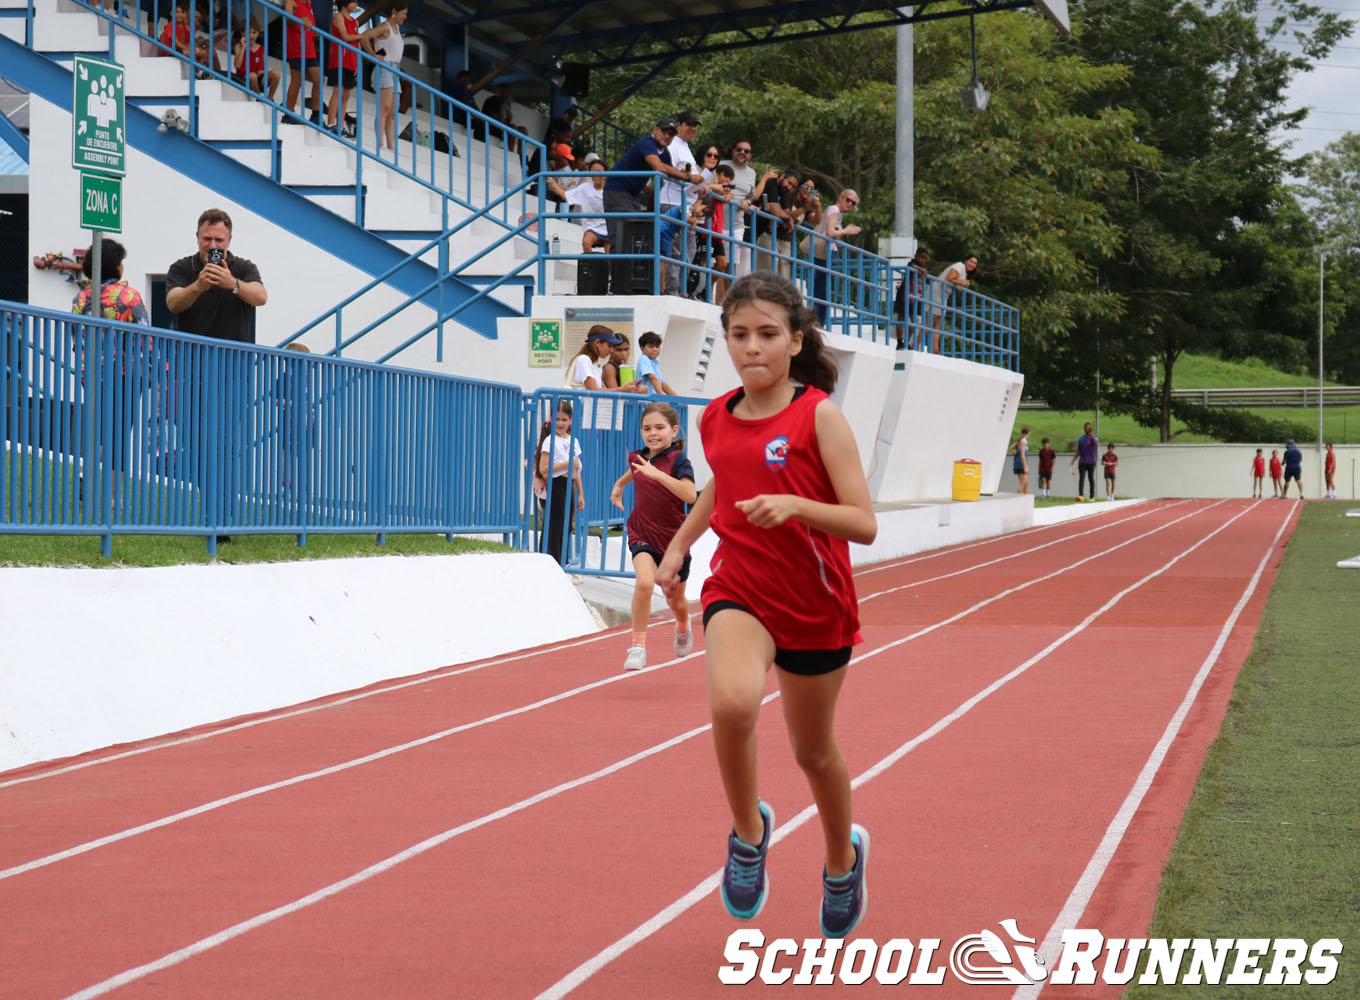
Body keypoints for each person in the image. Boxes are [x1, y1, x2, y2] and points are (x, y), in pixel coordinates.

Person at [656, 272, 877, 940]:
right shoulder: (716, 416)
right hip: (740, 589)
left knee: (813, 753)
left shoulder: (819, 416)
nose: (752, 347)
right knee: (729, 704)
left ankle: (842, 861)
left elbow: (863, 522)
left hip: (815, 605)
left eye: (767, 335)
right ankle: (748, 833)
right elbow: (721, 484)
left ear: (795, 341)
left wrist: (796, 506)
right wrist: (678, 550)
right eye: (740, 335)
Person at [610, 401, 698, 671]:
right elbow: (635, 470)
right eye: (647, 429)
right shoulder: (638, 457)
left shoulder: (679, 460)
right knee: (645, 584)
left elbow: (690, 495)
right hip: (642, 532)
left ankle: (683, 625)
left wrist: (657, 475)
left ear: (673, 430)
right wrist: (619, 485)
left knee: (675, 601)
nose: (653, 433)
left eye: (660, 428)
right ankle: (637, 646)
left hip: (674, 540)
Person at [602, 119, 703, 271]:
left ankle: (628, 280)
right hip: (617, 191)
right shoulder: (647, 143)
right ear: (655, 130)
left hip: (633, 195)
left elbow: (669, 170)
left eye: (671, 134)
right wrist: (688, 178)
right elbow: (659, 167)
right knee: (621, 234)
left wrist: (682, 175)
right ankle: (616, 282)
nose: (667, 136)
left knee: (633, 234)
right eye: (664, 131)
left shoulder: (664, 154)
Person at [166, 208, 268, 342]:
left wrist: (232, 284)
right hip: (192, 358)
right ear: (197, 237)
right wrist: (198, 286)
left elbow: (261, 297)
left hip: (233, 358)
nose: (212, 245)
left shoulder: (244, 267)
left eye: (219, 240)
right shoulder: (181, 267)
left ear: (229, 240)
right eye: (207, 239)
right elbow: (173, 304)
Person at [536, 399, 584, 566]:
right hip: (556, 486)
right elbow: (544, 469)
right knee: (555, 524)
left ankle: (562, 559)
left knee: (566, 524)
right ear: (551, 419)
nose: (561, 423)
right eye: (557, 419)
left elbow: (577, 471)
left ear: (570, 420)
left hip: (568, 486)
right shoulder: (550, 441)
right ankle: (554, 560)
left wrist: (580, 493)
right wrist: (567, 464)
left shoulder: (573, 441)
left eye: (564, 419)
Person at [806, 190, 862, 328]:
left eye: (853, 203)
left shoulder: (838, 213)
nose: (850, 204)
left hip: (828, 251)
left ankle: (820, 320)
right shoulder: (834, 209)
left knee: (823, 287)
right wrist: (845, 231)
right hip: (824, 251)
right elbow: (831, 232)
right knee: (821, 288)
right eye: (848, 200)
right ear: (841, 197)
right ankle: (818, 320)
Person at [71, 239, 150, 327]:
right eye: (120, 262)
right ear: (116, 266)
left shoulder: (80, 297)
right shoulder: (129, 295)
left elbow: (75, 332)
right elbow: (144, 335)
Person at [324, 0, 367, 138]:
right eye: (353, 2)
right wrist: (361, 36)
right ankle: (331, 123)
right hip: (339, 59)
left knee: (346, 95)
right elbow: (345, 36)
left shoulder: (355, 21)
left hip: (351, 61)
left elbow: (357, 46)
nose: (356, 4)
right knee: (338, 91)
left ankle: (340, 125)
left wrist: (357, 65)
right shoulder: (338, 17)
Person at [369, 1, 408, 151]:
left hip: (395, 70)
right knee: (384, 109)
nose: (405, 17)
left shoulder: (396, 28)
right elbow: (366, 35)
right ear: (394, 11)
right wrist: (373, 55)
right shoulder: (385, 26)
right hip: (385, 68)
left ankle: (391, 147)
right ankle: (380, 144)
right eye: (403, 13)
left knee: (393, 111)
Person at [720, 139, 757, 278]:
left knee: (731, 267)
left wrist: (748, 201)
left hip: (737, 225)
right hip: (717, 221)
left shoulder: (752, 173)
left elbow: (751, 196)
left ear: (750, 156)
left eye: (746, 151)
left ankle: (725, 299)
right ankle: (709, 297)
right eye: (739, 149)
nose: (742, 152)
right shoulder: (721, 165)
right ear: (733, 151)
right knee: (716, 263)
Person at [930, 254, 979, 354]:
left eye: (975, 263)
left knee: (937, 323)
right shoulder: (959, 266)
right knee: (931, 322)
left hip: (943, 294)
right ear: (965, 260)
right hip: (938, 291)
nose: (973, 264)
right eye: (971, 261)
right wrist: (963, 283)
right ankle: (915, 344)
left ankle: (935, 349)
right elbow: (949, 279)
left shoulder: (963, 271)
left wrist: (964, 284)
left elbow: (956, 285)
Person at [283, 0, 322, 125]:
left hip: (309, 48)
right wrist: (301, 20)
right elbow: (288, 19)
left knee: (318, 79)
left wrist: (315, 34)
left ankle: (316, 116)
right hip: (297, 47)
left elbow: (309, 25)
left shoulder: (308, 5)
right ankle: (288, 113)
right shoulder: (291, 1)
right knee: (297, 80)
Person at [658, 110, 701, 216]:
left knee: (689, 232)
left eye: (695, 125)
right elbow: (666, 169)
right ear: (679, 125)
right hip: (672, 202)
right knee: (685, 232)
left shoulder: (684, 146)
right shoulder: (672, 145)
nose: (692, 128)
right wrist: (686, 176)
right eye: (689, 124)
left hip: (686, 203)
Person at [565, 160, 609, 251]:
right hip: (592, 228)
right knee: (586, 242)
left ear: (605, 174)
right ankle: (590, 264)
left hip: (609, 227)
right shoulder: (585, 187)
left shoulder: (611, 189)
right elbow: (567, 196)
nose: (596, 175)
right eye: (593, 172)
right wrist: (552, 182)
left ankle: (610, 265)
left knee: (611, 252)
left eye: (599, 172)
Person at [232, 17, 280, 101]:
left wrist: (262, 72)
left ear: (258, 34)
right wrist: (243, 47)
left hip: (258, 78)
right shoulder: (238, 46)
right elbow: (237, 66)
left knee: (276, 73)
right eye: (249, 32)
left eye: (254, 32)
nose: (251, 35)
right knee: (252, 75)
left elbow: (261, 69)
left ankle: (270, 98)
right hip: (244, 78)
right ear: (243, 33)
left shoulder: (261, 49)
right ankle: (259, 99)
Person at [565, 325, 621, 389]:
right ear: (597, 343)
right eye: (609, 345)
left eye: (613, 347)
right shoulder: (584, 360)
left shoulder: (593, 364)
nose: (611, 350)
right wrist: (623, 389)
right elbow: (594, 391)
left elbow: (604, 391)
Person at [633, 331, 677, 395]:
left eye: (657, 346)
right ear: (642, 349)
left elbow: (662, 383)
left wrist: (677, 397)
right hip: (644, 401)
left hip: (653, 401)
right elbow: (653, 378)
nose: (655, 349)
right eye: (651, 347)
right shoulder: (643, 359)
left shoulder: (655, 362)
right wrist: (661, 395)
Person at [1071, 421, 1098, 502]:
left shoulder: (1095, 437)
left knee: (1091, 478)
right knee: (1082, 478)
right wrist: (1073, 460)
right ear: (1084, 429)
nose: (1088, 429)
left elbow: (1096, 443)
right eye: (1086, 427)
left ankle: (1092, 496)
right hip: (1082, 461)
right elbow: (1079, 451)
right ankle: (1081, 495)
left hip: (1092, 461)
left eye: (1089, 428)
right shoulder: (1081, 438)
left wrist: (1092, 436)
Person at [1011, 425, 1030, 494]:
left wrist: (1016, 453)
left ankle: (1027, 501)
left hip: (1018, 463)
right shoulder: (1024, 441)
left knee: (1026, 483)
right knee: (1023, 483)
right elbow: (1022, 454)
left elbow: (1011, 447)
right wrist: (1025, 467)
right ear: (1028, 433)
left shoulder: (1020, 441)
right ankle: (1016, 500)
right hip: (1020, 464)